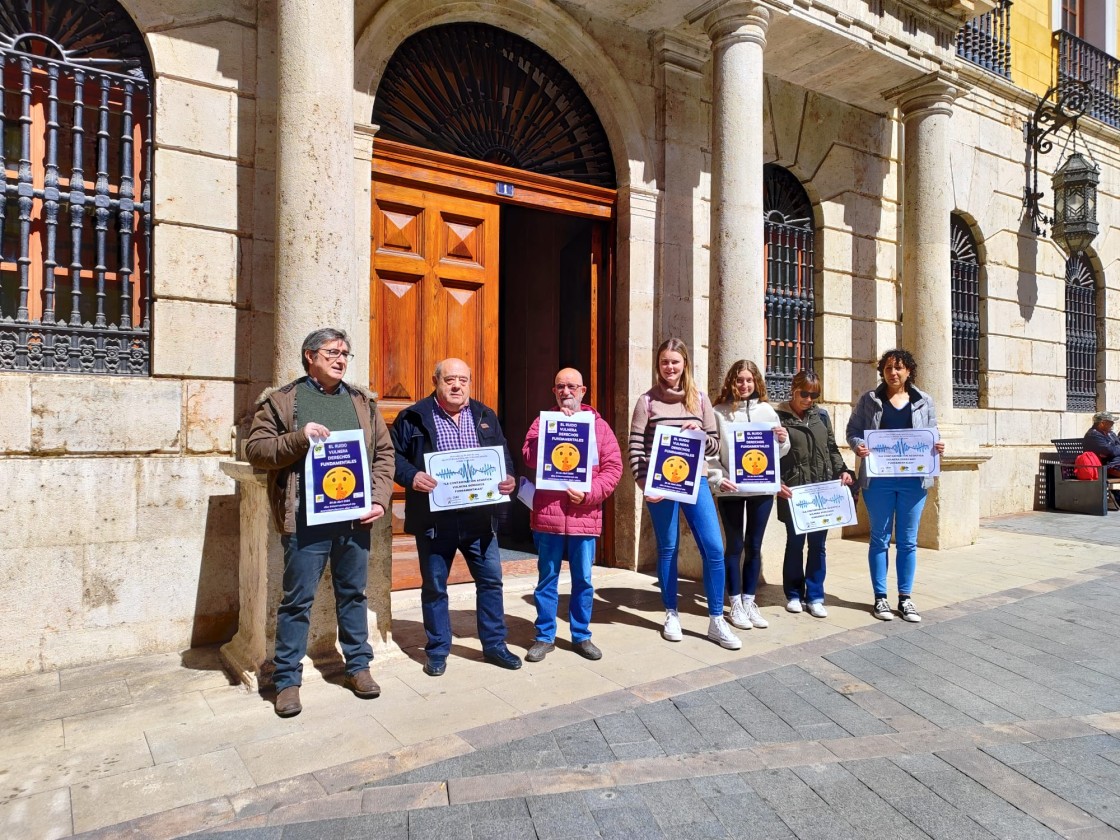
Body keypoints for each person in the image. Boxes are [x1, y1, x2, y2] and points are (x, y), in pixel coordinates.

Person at [245, 328, 395, 718]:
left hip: (355, 520)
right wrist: (299, 438)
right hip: (305, 521)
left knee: (354, 595)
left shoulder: (363, 401)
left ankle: (359, 667)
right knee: (296, 602)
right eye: (332, 352)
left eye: (345, 353)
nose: (341, 359)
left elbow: (383, 453)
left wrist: (379, 499)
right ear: (309, 355)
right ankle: (287, 682)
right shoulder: (281, 402)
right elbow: (257, 449)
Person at [391, 358, 522, 676]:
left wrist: (508, 478)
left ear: (470, 382)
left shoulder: (484, 415)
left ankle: (494, 645)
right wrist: (411, 476)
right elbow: (390, 455)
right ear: (435, 380)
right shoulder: (413, 417)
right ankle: (437, 650)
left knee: (491, 582)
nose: (457, 385)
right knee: (435, 586)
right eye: (450, 379)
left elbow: (502, 454)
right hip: (435, 521)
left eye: (463, 379)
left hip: (480, 518)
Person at [629, 338, 741, 650]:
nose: (670, 367)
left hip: (697, 482)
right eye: (664, 362)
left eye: (675, 362)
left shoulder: (700, 400)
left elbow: (716, 445)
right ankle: (671, 613)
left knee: (714, 548)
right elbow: (635, 447)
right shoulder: (647, 401)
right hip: (661, 486)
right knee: (668, 548)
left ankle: (717, 619)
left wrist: (701, 437)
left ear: (685, 364)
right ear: (658, 365)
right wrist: (644, 484)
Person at [521, 368, 623, 662]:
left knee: (583, 580)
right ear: (554, 391)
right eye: (561, 387)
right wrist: (551, 433)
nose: (567, 392)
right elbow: (528, 456)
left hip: (584, 516)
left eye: (572, 387)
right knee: (547, 579)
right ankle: (543, 636)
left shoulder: (599, 427)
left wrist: (589, 494)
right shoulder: (543, 421)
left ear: (583, 391)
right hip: (548, 516)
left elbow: (613, 469)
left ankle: (581, 635)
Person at [846, 349, 945, 623]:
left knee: (908, 541)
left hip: (914, 482)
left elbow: (933, 434)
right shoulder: (870, 400)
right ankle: (880, 598)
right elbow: (852, 431)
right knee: (879, 538)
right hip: (878, 481)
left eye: (899, 368)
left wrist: (937, 445)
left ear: (909, 371)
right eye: (889, 368)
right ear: (883, 371)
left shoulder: (924, 400)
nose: (893, 373)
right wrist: (859, 446)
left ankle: (905, 598)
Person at [707, 359, 789, 631]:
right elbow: (712, 455)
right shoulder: (719, 412)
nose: (744, 385)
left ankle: (750, 600)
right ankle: (735, 604)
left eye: (749, 380)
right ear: (731, 382)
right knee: (734, 546)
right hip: (731, 490)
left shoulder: (767, 411)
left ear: (757, 383)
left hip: (762, 490)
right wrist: (719, 480)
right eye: (739, 380)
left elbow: (778, 454)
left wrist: (782, 439)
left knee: (754, 545)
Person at [775, 371, 855, 619]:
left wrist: (843, 470)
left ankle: (816, 595)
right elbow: (768, 453)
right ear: (793, 389)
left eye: (814, 395)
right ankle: (794, 594)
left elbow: (831, 448)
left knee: (818, 546)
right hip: (795, 491)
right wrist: (775, 482)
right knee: (795, 544)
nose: (809, 399)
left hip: (822, 489)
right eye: (804, 393)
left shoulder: (820, 416)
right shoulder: (778, 417)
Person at [1084, 411, 1120, 477]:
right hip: (1106, 467)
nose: (1112, 424)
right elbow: (1109, 451)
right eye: (1110, 422)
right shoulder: (1093, 435)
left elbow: (1115, 447)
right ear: (1102, 423)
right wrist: (1115, 448)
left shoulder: (1111, 433)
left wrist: (1114, 448)